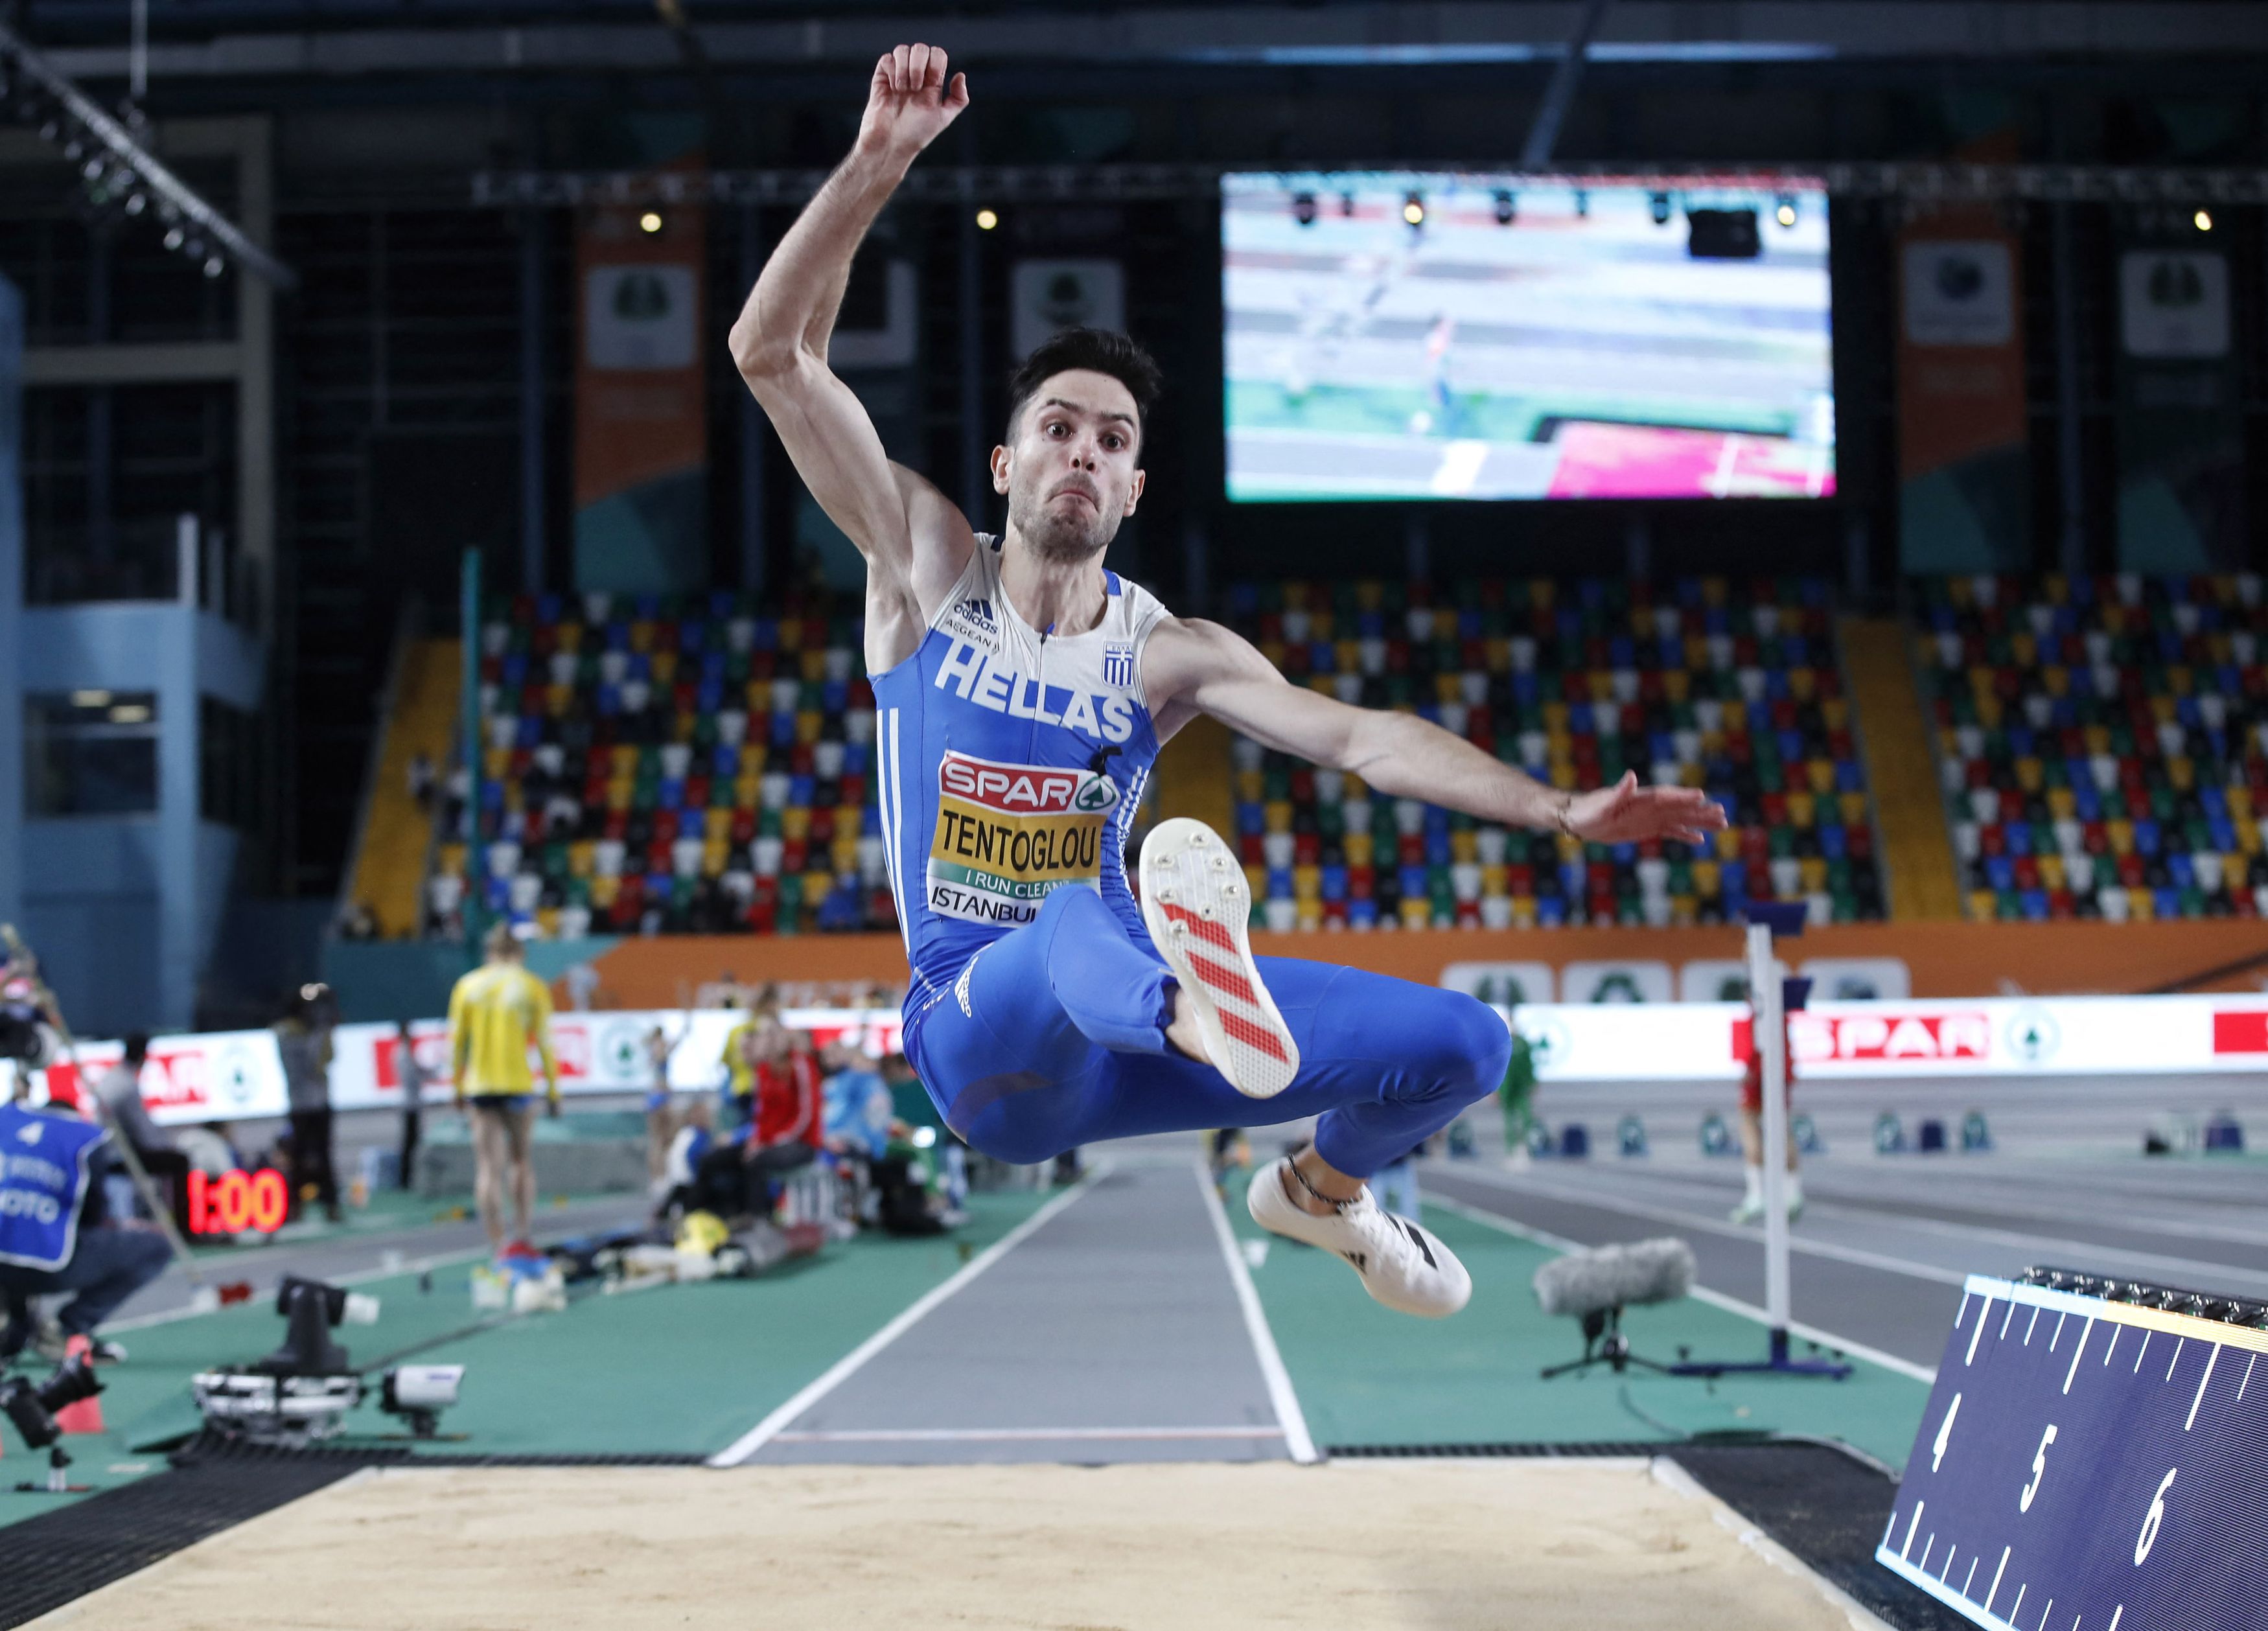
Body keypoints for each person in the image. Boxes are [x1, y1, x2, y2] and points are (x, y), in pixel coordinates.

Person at [730, 43, 1726, 1317]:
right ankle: (1208, 1013)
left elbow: (1362, 739)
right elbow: (773, 352)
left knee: (1466, 1046)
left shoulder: (1168, 654)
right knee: (1071, 919)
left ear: (1135, 487)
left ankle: (1319, 1187)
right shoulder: (922, 569)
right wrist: (880, 157)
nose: (1083, 453)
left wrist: (1557, 808)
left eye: (1112, 440)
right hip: (981, 1035)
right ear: (1005, 466)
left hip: (1129, 1042)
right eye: (1056, 429)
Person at [0, 1081, 170, 1363]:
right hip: (50, 1265)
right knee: (156, 1247)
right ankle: (66, 1328)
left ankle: (15, 1321)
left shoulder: (8, 1126)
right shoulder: (84, 1140)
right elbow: (93, 1215)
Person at [446, 922, 560, 1255]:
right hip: (518, 1085)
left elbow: (456, 1043)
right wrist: (554, 1090)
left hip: (481, 1086)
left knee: (487, 1168)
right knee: (521, 1161)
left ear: (489, 952)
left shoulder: (468, 986)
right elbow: (545, 1042)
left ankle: (496, 1242)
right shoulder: (531, 985)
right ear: (519, 952)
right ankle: (522, 1233)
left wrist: (456, 1087)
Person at [89, 1034, 194, 1236]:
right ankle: (184, 1228)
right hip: (118, 1155)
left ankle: (169, 1218)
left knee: (166, 1158)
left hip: (106, 1151)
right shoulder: (126, 1085)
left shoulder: (114, 1077)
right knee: (180, 1161)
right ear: (143, 1057)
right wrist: (168, 1147)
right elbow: (144, 1133)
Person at [275, 984, 341, 1223]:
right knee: (304, 1156)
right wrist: (322, 1031)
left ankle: (323, 1205)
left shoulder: (299, 1033)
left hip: (312, 1104)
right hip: (305, 1104)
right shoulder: (290, 1034)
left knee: (319, 1155)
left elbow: (328, 1058)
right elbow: (316, 1065)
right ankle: (299, 1205)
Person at [1733, 1002, 1803, 1224]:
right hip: (1779, 1076)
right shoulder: (1780, 1017)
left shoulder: (1758, 1016)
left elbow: (1752, 1049)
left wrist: (1749, 1071)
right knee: (1782, 1131)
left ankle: (1757, 1194)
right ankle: (1792, 1193)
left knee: (1750, 1128)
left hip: (1759, 1079)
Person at [642, 1021, 684, 1187]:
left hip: (658, 1095)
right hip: (660, 1096)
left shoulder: (654, 1048)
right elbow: (662, 1057)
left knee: (664, 1138)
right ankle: (658, 1177)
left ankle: (661, 1175)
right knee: (660, 1139)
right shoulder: (658, 1047)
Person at [395, 1021, 428, 1190]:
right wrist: (423, 1075)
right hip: (409, 1104)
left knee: (412, 1141)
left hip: (413, 1103)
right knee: (410, 1142)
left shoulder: (407, 1053)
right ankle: (405, 1178)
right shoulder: (403, 1054)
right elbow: (412, 1078)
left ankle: (409, 1176)